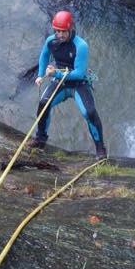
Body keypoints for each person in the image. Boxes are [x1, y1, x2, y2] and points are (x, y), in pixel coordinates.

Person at [31, 10, 106, 158]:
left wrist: (56, 74)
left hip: (78, 84)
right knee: (43, 104)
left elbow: (78, 72)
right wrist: (40, 75)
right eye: (57, 31)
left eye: (63, 31)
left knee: (89, 112)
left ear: (71, 28)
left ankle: (100, 149)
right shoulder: (51, 41)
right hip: (60, 82)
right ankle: (40, 139)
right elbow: (44, 55)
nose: (60, 35)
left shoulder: (81, 45)